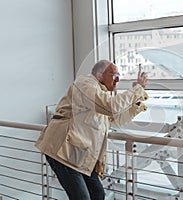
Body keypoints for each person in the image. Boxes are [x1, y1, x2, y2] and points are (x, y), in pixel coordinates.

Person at [35, 59, 148, 200]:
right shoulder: (85, 84)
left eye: (118, 74)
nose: (118, 79)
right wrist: (136, 90)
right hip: (63, 152)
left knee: (98, 194)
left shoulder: (100, 94)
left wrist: (136, 101)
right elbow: (111, 107)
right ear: (99, 75)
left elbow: (117, 119)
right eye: (114, 74)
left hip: (80, 155)